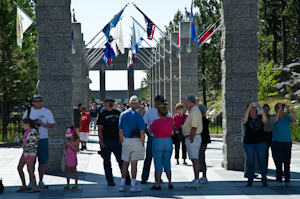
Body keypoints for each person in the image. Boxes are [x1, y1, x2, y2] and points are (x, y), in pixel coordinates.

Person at [22, 94, 55, 189]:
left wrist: (42, 124)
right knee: (30, 162)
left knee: (43, 161)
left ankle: (40, 180)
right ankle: (31, 181)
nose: (38, 102)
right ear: (33, 102)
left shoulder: (47, 111)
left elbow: (52, 125)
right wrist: (32, 124)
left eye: (40, 100)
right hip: (31, 140)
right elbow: (23, 124)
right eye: (36, 101)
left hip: (43, 139)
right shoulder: (28, 112)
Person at [98, 98, 130, 186]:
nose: (110, 103)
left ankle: (127, 178)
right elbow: (100, 129)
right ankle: (110, 180)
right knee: (107, 162)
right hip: (106, 141)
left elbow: (122, 127)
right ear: (104, 103)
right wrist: (101, 142)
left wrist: (122, 138)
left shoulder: (118, 113)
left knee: (122, 161)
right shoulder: (102, 115)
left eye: (111, 101)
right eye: (108, 101)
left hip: (117, 141)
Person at [118, 95, 146, 193]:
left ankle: (122, 184)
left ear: (129, 103)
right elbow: (142, 132)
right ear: (138, 104)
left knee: (125, 163)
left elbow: (120, 131)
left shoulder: (123, 114)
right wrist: (142, 144)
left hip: (126, 140)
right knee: (134, 163)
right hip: (136, 140)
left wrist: (123, 141)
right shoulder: (138, 115)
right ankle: (133, 185)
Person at [141, 95, 169, 184]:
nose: (163, 103)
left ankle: (158, 178)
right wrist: (149, 135)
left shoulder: (165, 112)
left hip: (162, 138)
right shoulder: (149, 112)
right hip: (152, 138)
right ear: (157, 102)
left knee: (159, 159)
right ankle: (144, 177)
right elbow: (144, 125)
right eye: (161, 102)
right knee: (149, 158)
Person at [242, 102, 268, 187]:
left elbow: (265, 120)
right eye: (251, 107)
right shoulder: (247, 117)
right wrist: (249, 108)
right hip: (249, 142)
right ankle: (250, 180)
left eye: (254, 107)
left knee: (262, 161)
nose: (253, 107)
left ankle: (264, 179)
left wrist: (260, 108)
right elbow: (244, 121)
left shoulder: (260, 117)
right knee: (250, 161)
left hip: (261, 141)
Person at [272, 103, 297, 186]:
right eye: (278, 108)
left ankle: (287, 180)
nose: (281, 109)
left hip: (287, 142)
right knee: (279, 162)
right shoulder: (273, 117)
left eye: (282, 108)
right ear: (276, 109)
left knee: (287, 162)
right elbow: (275, 120)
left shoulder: (287, 118)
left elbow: (294, 119)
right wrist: (279, 110)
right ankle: (278, 180)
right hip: (277, 142)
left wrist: (289, 109)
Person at [150, 105, 174, 190]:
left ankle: (158, 184)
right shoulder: (170, 120)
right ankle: (170, 182)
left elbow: (150, 130)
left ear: (159, 113)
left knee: (158, 163)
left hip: (158, 141)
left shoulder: (156, 121)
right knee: (167, 162)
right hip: (168, 141)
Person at [182, 95, 203, 188]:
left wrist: (191, 139)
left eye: (186, 102)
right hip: (193, 138)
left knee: (195, 159)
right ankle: (196, 179)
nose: (185, 104)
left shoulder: (194, 112)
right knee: (194, 159)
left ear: (190, 102)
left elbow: (194, 127)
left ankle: (196, 180)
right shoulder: (194, 111)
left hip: (193, 138)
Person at [15, 118, 40, 193]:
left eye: (23, 124)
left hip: (30, 154)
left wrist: (26, 154)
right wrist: (16, 138)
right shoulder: (27, 132)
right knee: (19, 168)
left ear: (27, 124)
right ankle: (24, 185)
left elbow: (30, 145)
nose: (22, 126)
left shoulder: (33, 132)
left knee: (30, 170)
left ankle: (35, 187)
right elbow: (24, 143)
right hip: (26, 153)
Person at [197, 104, 211, 184]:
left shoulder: (202, 121)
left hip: (202, 142)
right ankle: (200, 175)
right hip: (203, 141)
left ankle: (203, 176)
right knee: (200, 158)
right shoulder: (204, 120)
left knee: (201, 158)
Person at [63, 126, 80, 190]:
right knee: (68, 171)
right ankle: (68, 184)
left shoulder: (77, 140)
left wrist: (70, 145)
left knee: (74, 170)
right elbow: (66, 149)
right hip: (67, 155)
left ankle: (76, 185)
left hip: (73, 156)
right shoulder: (68, 139)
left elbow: (76, 149)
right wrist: (65, 145)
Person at [262, 104, 274, 171]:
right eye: (264, 108)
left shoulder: (272, 117)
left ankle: (279, 169)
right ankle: (265, 169)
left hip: (272, 134)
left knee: (275, 153)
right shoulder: (261, 117)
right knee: (265, 154)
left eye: (267, 108)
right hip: (264, 135)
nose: (266, 110)